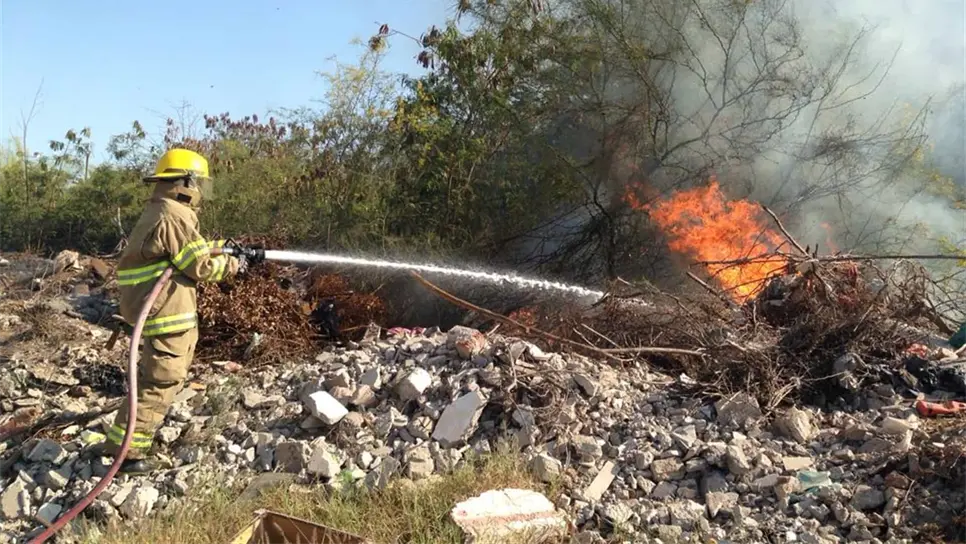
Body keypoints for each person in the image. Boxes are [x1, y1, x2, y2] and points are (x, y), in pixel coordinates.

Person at [101, 148, 243, 474]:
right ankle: (130, 456)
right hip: (166, 316)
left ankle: (118, 445)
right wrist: (235, 263)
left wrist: (222, 246)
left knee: (152, 378)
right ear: (186, 181)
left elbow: (187, 251)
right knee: (162, 381)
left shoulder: (165, 210)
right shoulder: (172, 215)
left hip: (158, 312)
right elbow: (200, 266)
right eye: (199, 183)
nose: (201, 192)